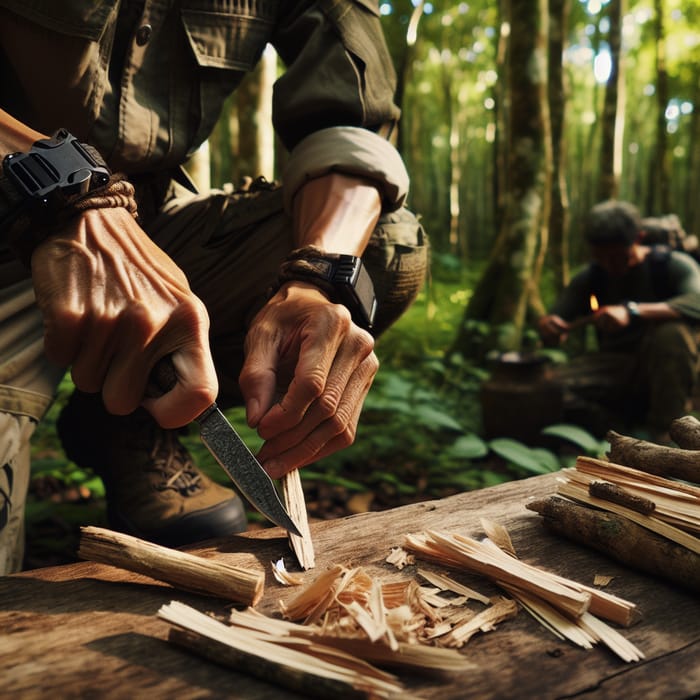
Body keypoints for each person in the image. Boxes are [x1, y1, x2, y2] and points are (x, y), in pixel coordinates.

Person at [0, 1, 429, 574]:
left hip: (156, 229)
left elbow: (350, 121)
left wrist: (317, 279)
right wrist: (59, 190)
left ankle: (128, 419)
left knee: (383, 247)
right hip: (15, 220)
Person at [537, 199, 700, 440]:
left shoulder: (672, 266)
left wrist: (632, 311)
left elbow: (697, 301)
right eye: (600, 257)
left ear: (638, 238)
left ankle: (666, 432)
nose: (609, 265)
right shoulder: (590, 277)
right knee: (545, 389)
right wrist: (549, 327)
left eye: (618, 257)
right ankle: (618, 431)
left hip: (671, 368)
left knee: (672, 334)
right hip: (615, 367)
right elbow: (556, 319)